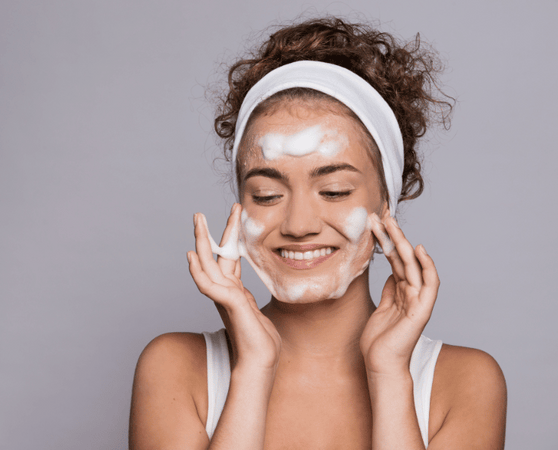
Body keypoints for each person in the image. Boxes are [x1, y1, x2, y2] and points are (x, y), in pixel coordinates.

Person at [129, 17, 507, 450]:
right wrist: (254, 368)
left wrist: (387, 374)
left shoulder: (465, 383)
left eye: (334, 191)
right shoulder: (176, 368)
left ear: (386, 205)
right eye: (267, 194)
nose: (298, 225)